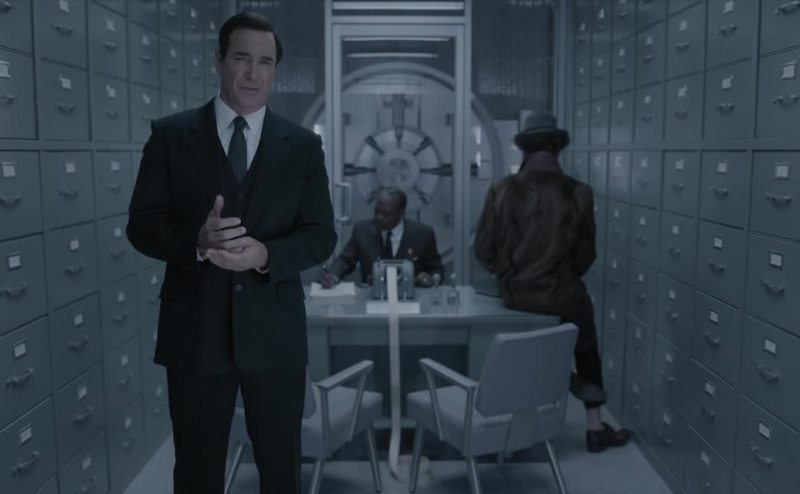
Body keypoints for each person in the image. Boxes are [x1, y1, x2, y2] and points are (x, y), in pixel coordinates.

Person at [126, 12, 336, 493]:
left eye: (265, 62)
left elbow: (321, 235)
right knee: (196, 473)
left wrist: (264, 254)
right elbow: (141, 226)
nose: (253, 73)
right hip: (195, 334)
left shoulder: (303, 147)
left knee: (281, 472)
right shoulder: (171, 136)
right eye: (242, 58)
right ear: (218, 59)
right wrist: (197, 242)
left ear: (275, 69)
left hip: (275, 336)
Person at [474, 111, 631, 453]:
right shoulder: (579, 192)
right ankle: (594, 425)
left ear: (524, 150)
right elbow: (586, 254)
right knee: (586, 346)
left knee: (515, 348)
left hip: (515, 295)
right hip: (562, 295)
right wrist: (560, 276)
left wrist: (509, 273)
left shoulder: (502, 189)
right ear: (558, 148)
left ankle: (508, 421)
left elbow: (483, 250)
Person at [320, 187, 444, 288]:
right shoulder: (362, 230)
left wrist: (430, 278)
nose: (378, 217)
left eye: (385, 214)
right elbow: (345, 260)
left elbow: (436, 270)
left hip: (411, 300)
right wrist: (333, 275)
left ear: (401, 213)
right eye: (377, 211)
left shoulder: (423, 234)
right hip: (371, 298)